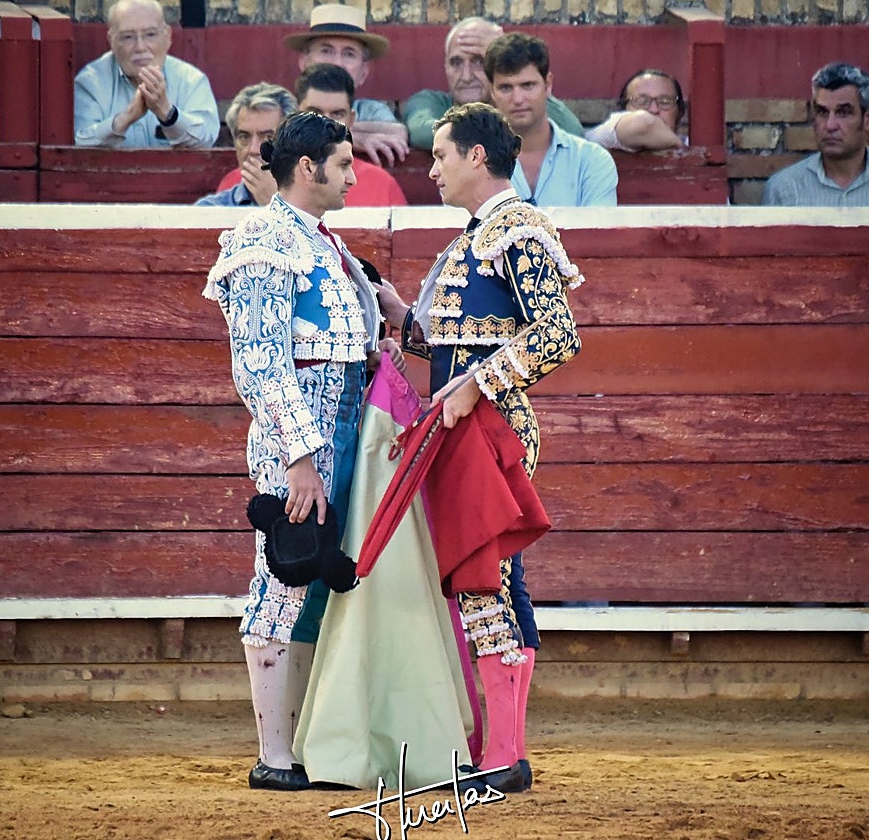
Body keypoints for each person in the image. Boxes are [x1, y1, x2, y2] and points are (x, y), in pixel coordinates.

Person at [375, 102, 583, 794]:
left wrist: (473, 386)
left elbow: (558, 335)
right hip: (465, 425)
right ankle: (497, 749)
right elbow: (458, 344)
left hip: (491, 427)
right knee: (485, 585)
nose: (429, 169)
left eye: (439, 155)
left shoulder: (517, 227)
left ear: (475, 157)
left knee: (487, 584)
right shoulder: (479, 235)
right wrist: (401, 317)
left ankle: (503, 756)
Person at [203, 111, 388, 792]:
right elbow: (259, 364)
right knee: (282, 576)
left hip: (340, 420)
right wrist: (300, 458)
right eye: (342, 164)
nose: (351, 175)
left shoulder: (320, 242)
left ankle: (305, 744)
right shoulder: (263, 238)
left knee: (315, 583)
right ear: (307, 168)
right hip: (301, 430)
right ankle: (274, 758)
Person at [762, 61, 869, 207]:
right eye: (822, 112)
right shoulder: (783, 189)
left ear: (868, 119)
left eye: (843, 113)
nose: (830, 125)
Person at [402, 16, 583, 151]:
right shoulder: (430, 101)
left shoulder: (520, 104)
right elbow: (422, 132)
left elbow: (574, 133)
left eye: (479, 62)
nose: (466, 76)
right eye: (456, 62)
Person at [484, 32, 617, 206]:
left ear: (547, 84)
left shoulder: (590, 160)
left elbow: (599, 232)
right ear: (492, 91)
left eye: (528, 85)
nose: (517, 99)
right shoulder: (472, 164)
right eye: (505, 88)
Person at [74, 0, 219, 149]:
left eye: (150, 35)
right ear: (112, 41)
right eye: (128, 37)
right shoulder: (90, 82)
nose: (140, 47)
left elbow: (206, 139)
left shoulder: (190, 80)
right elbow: (79, 143)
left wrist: (167, 112)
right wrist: (127, 117)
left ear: (167, 37)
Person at [284, 2, 407, 167]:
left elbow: (398, 132)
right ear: (304, 62)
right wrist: (348, 136)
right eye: (326, 51)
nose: (337, 63)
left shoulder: (371, 110)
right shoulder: (284, 105)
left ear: (363, 72)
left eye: (349, 54)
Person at [292, 63, 407, 206]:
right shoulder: (270, 178)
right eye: (314, 113)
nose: (326, 124)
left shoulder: (381, 184)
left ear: (351, 120)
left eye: (337, 114)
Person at [195, 82, 297, 207]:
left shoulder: (321, 207)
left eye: (268, 137)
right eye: (244, 137)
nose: (253, 149)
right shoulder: (210, 210)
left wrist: (276, 205)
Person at [585, 68, 686, 152]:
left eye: (665, 101)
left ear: (680, 112)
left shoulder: (691, 142)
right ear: (624, 109)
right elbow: (645, 123)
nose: (654, 110)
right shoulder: (600, 137)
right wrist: (680, 147)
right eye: (642, 101)